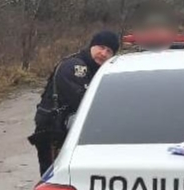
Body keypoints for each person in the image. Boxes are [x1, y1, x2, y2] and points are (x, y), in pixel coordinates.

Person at [28, 30, 120, 175]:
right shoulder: (75, 67)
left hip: (68, 134)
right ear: (92, 46)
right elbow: (84, 103)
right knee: (55, 181)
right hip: (54, 134)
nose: (103, 53)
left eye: (109, 51)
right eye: (101, 47)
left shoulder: (97, 70)